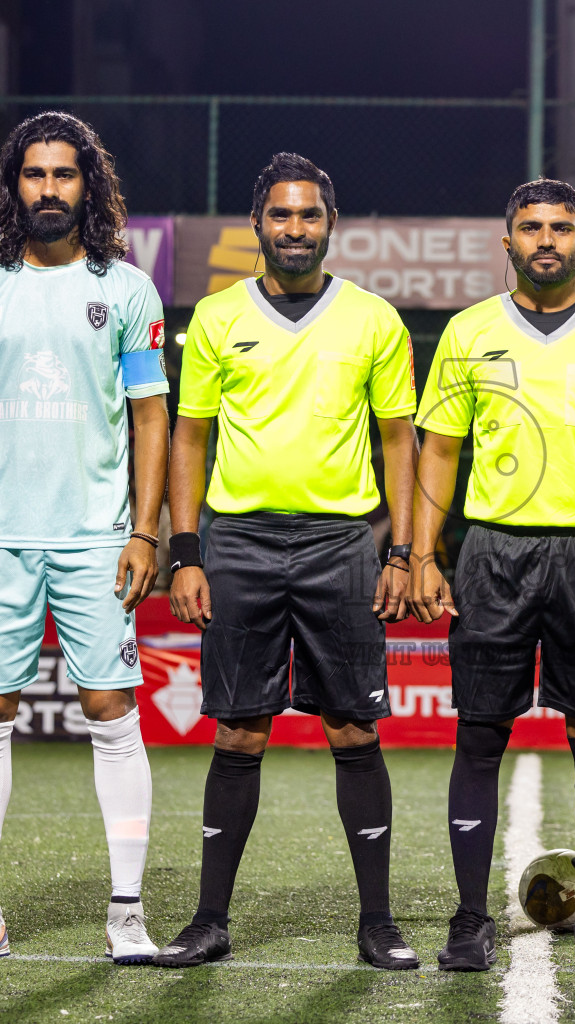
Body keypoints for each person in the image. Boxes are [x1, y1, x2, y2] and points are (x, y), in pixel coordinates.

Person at [154, 153, 421, 971]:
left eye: (309, 215)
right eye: (281, 215)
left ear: (330, 224)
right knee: (238, 730)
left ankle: (376, 922)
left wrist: (405, 552)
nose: (295, 229)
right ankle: (209, 920)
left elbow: (399, 441)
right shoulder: (216, 315)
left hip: (341, 544)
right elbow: (188, 436)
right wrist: (187, 549)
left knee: (352, 726)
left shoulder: (374, 320)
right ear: (257, 223)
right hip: (237, 543)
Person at [410, 178, 575, 975]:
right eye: (532, 228)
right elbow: (440, 451)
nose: (547, 240)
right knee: (479, 737)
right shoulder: (468, 331)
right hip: (494, 550)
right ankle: (467, 920)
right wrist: (423, 553)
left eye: (562, 227)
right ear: (509, 242)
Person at [0, 111, 170, 966]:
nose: (50, 189)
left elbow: (151, 418)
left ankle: (128, 912)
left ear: (89, 187)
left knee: (111, 710)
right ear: (14, 186)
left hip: (98, 538)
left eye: (66, 175)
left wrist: (146, 531)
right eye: (36, 175)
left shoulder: (128, 290)